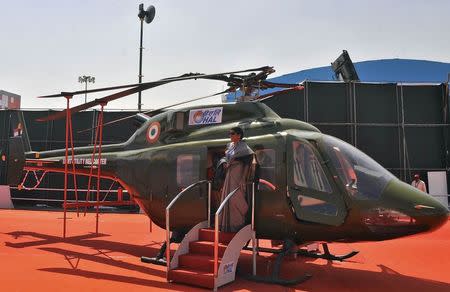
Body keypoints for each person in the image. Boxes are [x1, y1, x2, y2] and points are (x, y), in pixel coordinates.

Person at [218, 126, 255, 232]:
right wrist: (225, 163)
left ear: (239, 135)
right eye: (229, 133)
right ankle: (226, 225)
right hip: (229, 172)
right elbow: (226, 157)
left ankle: (237, 225)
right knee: (227, 197)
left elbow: (248, 163)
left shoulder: (244, 147)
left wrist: (243, 179)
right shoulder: (229, 145)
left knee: (236, 198)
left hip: (238, 173)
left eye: (232, 133)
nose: (230, 135)